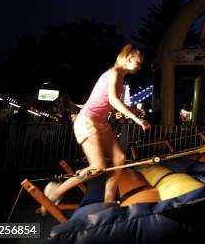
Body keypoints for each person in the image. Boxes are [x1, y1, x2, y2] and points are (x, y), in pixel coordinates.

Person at [42, 44, 150, 212]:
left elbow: (109, 103)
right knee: (97, 167)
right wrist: (135, 118)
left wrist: (134, 110)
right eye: (138, 62)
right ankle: (55, 191)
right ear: (128, 58)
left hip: (100, 123)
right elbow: (114, 100)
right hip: (87, 121)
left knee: (119, 158)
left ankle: (108, 201)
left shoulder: (121, 78)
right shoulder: (113, 73)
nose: (139, 66)